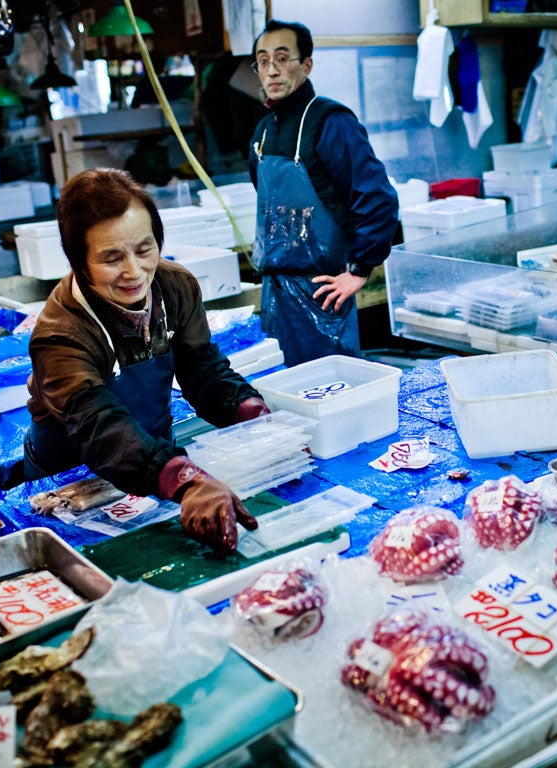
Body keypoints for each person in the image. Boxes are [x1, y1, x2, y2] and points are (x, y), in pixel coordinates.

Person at [24, 168, 269, 552]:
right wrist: (185, 480)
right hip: (70, 480)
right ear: (79, 261)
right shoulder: (61, 335)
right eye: (111, 258)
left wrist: (255, 414)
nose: (134, 272)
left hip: (155, 462)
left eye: (144, 249)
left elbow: (203, 370)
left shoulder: (176, 286)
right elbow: (100, 427)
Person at [248, 19, 399, 367]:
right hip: (275, 294)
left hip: (323, 292)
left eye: (282, 59)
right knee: (282, 388)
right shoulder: (263, 132)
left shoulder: (332, 122)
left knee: (331, 386)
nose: (272, 71)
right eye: (263, 61)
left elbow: (378, 199)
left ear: (306, 65)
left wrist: (359, 270)